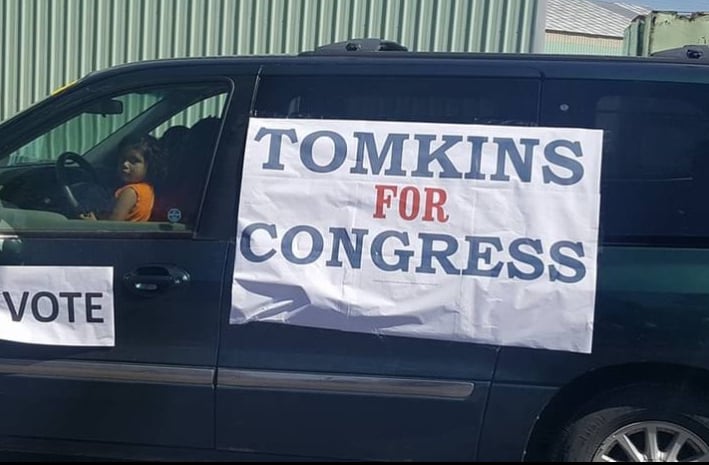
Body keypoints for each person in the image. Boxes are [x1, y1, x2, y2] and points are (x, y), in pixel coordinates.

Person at [81, 134, 166, 221]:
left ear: (150, 166)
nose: (125, 164)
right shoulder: (147, 189)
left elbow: (113, 225)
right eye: (123, 159)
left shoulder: (130, 192)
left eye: (134, 161)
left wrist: (92, 222)